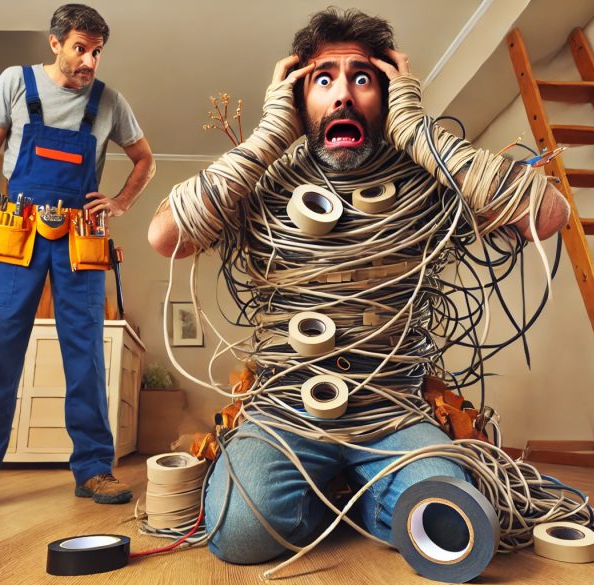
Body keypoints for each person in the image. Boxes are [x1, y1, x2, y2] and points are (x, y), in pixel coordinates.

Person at [148, 9, 569, 563]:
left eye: (362, 78)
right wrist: (271, 134)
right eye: (324, 80)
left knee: (451, 516)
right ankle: (338, 496)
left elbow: (547, 213)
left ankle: (360, 496)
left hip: (391, 411)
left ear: (389, 93)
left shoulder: (426, 178)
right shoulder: (262, 185)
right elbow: (165, 236)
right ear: (299, 101)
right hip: (284, 410)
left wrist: (417, 130)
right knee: (237, 532)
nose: (342, 95)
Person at [0, 3, 155, 520]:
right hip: (15, 234)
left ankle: (93, 468)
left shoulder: (110, 103)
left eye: (97, 52)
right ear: (55, 43)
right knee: (0, 352)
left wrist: (119, 201)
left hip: (80, 238)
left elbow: (146, 159)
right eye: (80, 48)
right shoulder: (15, 82)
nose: (89, 61)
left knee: (85, 355)